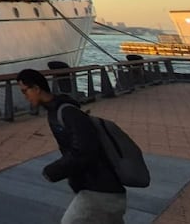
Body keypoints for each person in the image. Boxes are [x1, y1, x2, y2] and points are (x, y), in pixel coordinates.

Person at [17, 69, 126, 223]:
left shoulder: (66, 112)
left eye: (24, 91)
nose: (25, 96)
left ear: (36, 88)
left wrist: (54, 170)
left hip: (99, 191)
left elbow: (85, 150)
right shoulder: (56, 111)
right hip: (100, 189)